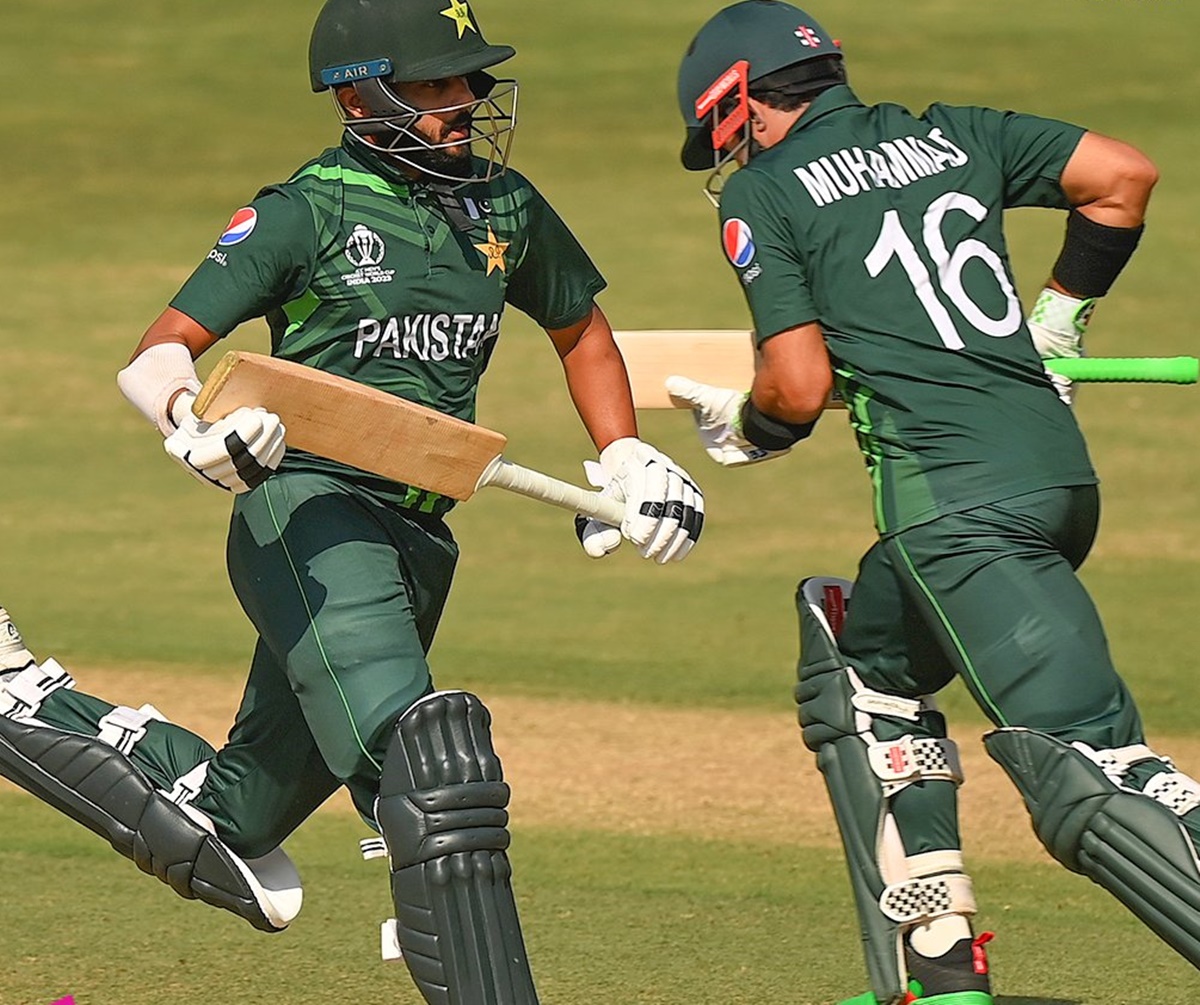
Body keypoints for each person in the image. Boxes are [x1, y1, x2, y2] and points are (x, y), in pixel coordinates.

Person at [0, 2, 703, 1003]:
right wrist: (191, 425)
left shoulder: (504, 207)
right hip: (310, 516)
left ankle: (20, 702)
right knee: (429, 771)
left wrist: (626, 454)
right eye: (431, 87)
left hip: (421, 534)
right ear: (356, 94)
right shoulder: (307, 208)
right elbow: (156, 352)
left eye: (466, 81)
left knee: (235, 818)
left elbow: (580, 328)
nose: (462, 102)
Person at [667, 2, 1199, 1003]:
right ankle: (937, 963)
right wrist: (1061, 321)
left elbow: (797, 384)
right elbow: (1122, 178)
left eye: (722, 129)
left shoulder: (767, 194)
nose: (727, 149)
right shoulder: (952, 131)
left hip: (955, 510)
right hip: (1051, 482)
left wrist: (749, 431)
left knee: (1093, 774)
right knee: (864, 675)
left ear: (739, 98)